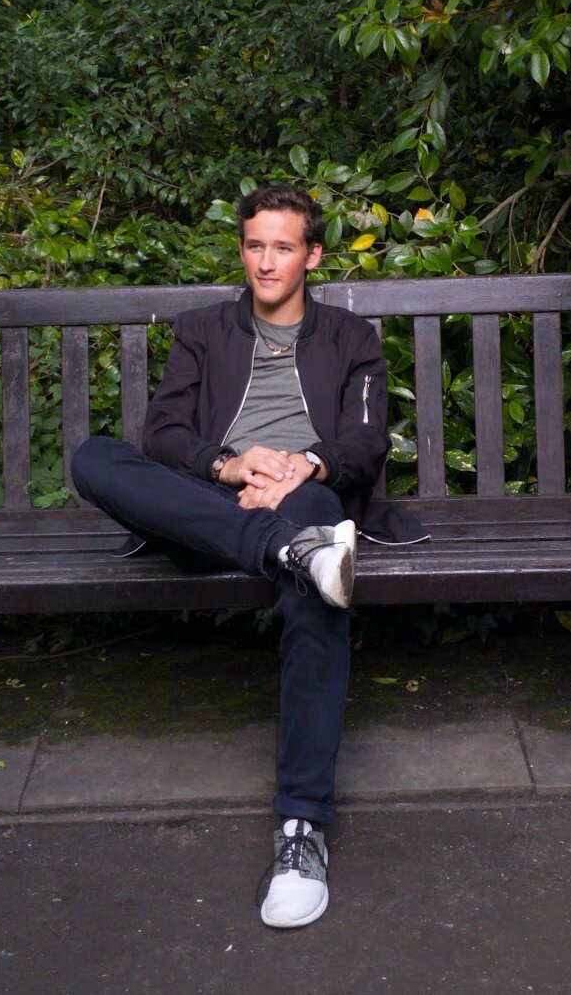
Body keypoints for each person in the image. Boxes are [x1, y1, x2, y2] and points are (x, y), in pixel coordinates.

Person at [70, 182, 424, 929]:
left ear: (312, 255)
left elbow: (364, 443)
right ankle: (291, 551)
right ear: (242, 249)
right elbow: (163, 434)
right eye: (254, 245)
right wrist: (229, 465)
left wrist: (305, 468)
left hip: (303, 496)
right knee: (96, 457)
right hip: (207, 507)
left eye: (283, 247)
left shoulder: (349, 340)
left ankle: (301, 829)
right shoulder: (203, 331)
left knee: (317, 571)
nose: (266, 262)